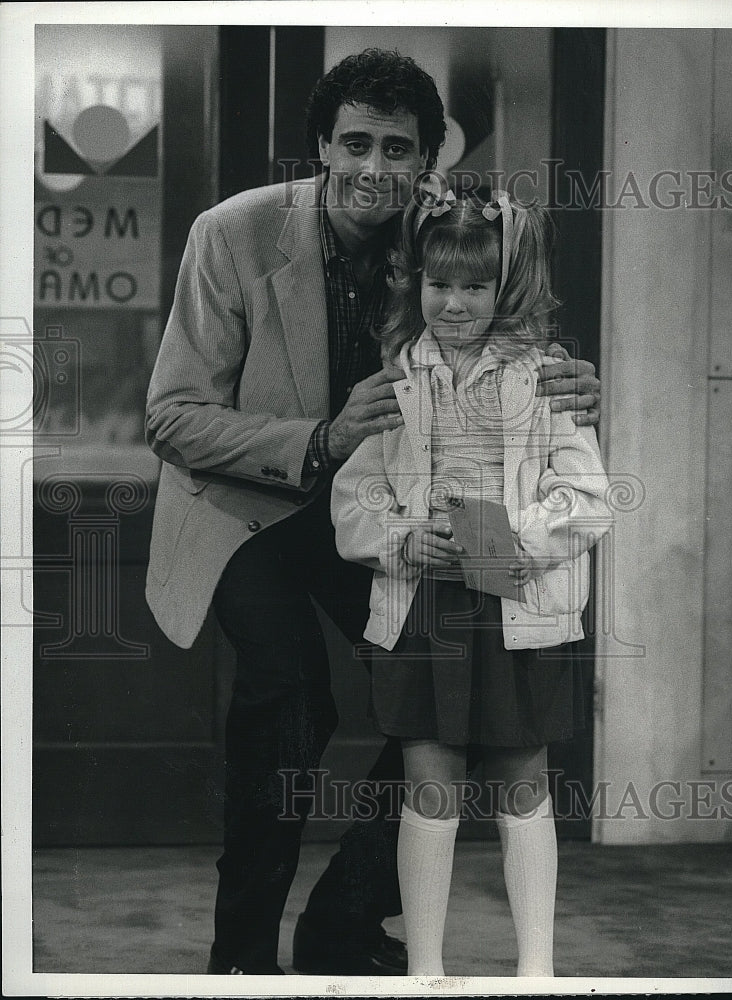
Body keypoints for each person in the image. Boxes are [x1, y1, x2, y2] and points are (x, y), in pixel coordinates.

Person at [144, 48, 602, 976]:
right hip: (251, 509)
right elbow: (171, 417)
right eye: (354, 143)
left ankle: (345, 921)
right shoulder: (230, 234)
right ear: (321, 145)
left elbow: (506, 314)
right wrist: (317, 437)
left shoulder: (436, 235)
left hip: (388, 513)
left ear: (427, 161)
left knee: (441, 695)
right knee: (289, 697)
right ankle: (239, 958)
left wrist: (572, 380)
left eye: (398, 149)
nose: (373, 169)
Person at [330, 188, 613, 976]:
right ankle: (425, 969)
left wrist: (513, 539)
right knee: (429, 779)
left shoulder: (546, 378)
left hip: (514, 596)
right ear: (413, 282)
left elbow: (588, 498)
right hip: (425, 598)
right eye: (437, 284)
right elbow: (353, 497)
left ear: (504, 288)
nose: (452, 305)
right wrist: (402, 536)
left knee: (522, 776)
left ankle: (537, 972)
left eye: (474, 287)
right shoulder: (397, 378)